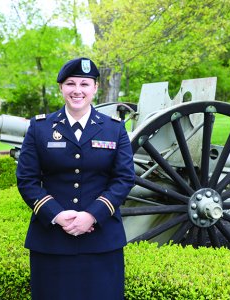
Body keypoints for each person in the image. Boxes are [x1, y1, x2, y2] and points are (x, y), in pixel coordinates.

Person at [16, 57, 135, 300]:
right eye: (70, 84)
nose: (77, 90)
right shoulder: (40, 127)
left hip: (101, 240)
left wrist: (92, 215)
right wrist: (57, 215)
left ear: (95, 88)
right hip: (51, 240)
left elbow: (123, 178)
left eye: (84, 83)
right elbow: (27, 179)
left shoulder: (115, 128)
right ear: (61, 87)